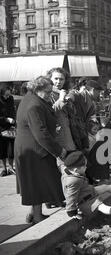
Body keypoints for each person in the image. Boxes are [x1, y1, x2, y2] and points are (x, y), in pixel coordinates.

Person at [14, 76, 67, 224]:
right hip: (34, 149)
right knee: (37, 182)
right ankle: (37, 216)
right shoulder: (34, 105)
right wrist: (58, 150)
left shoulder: (31, 98)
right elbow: (41, 133)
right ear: (37, 89)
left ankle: (33, 213)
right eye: (47, 91)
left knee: (34, 182)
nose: (50, 94)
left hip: (29, 147)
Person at [61, 151, 111, 219]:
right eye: (85, 166)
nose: (86, 167)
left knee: (105, 187)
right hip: (83, 202)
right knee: (100, 206)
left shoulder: (69, 172)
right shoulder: (73, 181)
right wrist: (72, 212)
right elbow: (71, 197)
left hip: (88, 191)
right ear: (76, 170)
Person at [0, 86, 16, 176]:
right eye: (6, 95)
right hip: (1, 127)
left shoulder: (11, 98)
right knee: (2, 149)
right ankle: (4, 169)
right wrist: (6, 119)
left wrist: (13, 120)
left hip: (11, 127)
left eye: (9, 94)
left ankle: (11, 168)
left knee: (11, 149)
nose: (8, 96)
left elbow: (13, 110)